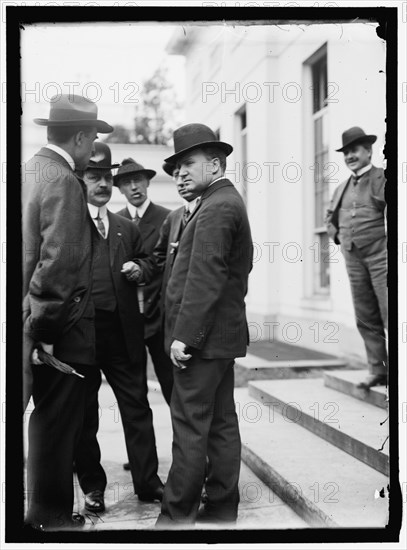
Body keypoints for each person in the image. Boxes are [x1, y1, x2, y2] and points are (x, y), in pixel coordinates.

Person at [155, 123, 253, 527]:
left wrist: (185, 338)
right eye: (176, 167)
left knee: (191, 428)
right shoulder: (220, 202)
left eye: (187, 164)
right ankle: (220, 509)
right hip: (218, 341)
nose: (179, 173)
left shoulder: (217, 206)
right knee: (221, 424)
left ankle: (176, 518)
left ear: (214, 164)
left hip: (203, 342)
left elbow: (205, 278)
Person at [22, 94, 113, 530]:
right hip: (60, 328)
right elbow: (58, 261)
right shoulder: (62, 179)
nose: (92, 147)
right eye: (92, 138)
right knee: (57, 424)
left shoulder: (31, 170)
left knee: (45, 419)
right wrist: (46, 327)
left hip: (30, 318)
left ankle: (41, 512)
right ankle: (51, 518)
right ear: (79, 137)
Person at [74, 142, 165, 513]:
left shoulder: (126, 227)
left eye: (105, 178)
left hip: (123, 335)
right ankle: (93, 488)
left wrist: (139, 269)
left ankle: (148, 483)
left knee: (137, 409)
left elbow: (148, 261)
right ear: (81, 181)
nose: (101, 184)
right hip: (81, 337)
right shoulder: (70, 226)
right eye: (93, 177)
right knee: (84, 416)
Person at [325, 126, 387, 390]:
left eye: (355, 151)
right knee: (365, 316)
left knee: (390, 312)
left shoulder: (383, 178)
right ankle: (378, 370)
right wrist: (339, 237)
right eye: (346, 152)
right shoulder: (340, 188)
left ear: (369, 151)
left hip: (382, 257)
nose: (350, 156)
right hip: (353, 259)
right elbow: (329, 218)